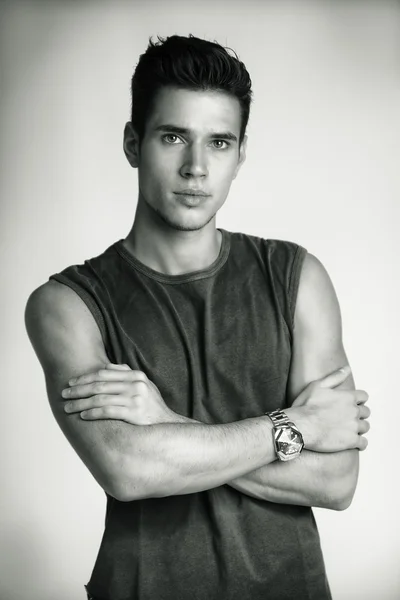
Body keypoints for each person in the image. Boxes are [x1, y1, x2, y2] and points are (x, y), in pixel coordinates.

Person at [25, 34, 370, 600]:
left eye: (219, 142)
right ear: (133, 143)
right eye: (172, 137)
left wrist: (167, 423)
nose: (195, 167)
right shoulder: (67, 304)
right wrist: (299, 427)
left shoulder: (297, 278)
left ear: (240, 154)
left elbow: (336, 481)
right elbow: (129, 470)